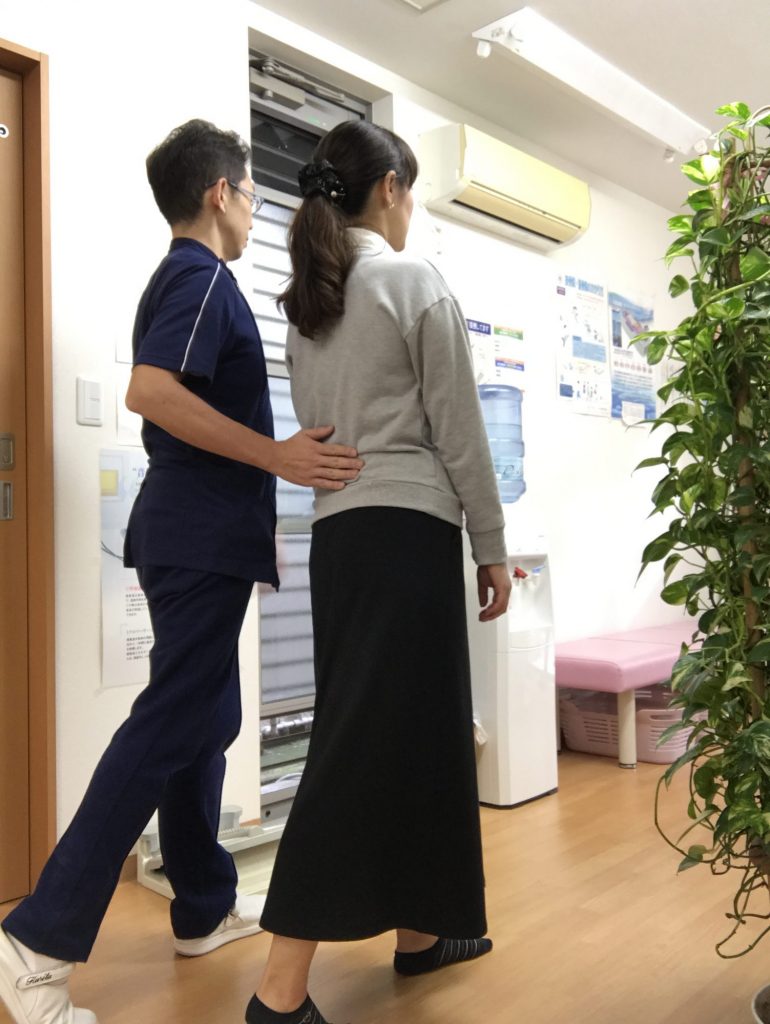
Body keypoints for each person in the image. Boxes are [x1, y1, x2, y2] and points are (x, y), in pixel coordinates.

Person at [0, 118, 363, 1024]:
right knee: (171, 723)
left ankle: (201, 906)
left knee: (207, 716)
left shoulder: (192, 280)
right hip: (195, 539)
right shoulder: (200, 277)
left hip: (198, 538)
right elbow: (151, 391)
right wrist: (278, 456)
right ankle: (35, 944)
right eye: (250, 190)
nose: (254, 206)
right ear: (220, 193)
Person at [245, 120, 512, 1024]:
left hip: (343, 542)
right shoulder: (410, 279)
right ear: (390, 187)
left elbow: (320, 431)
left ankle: (420, 933)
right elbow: (459, 429)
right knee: (362, 745)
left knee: (410, 736)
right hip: (408, 536)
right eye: (411, 191)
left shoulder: (310, 304)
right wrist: (491, 545)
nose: (411, 209)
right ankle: (278, 993)